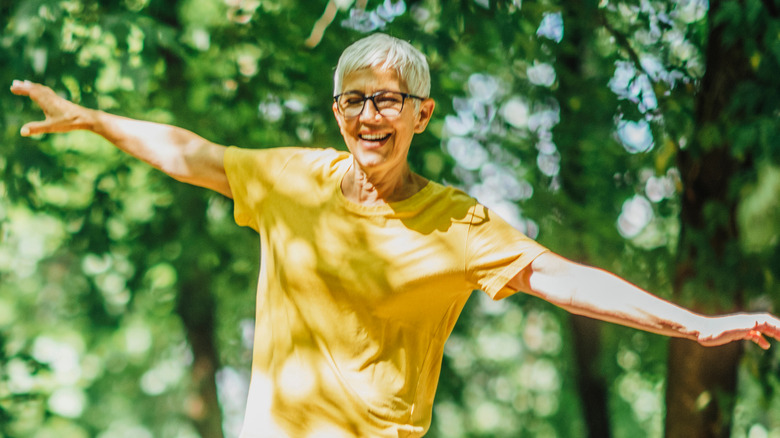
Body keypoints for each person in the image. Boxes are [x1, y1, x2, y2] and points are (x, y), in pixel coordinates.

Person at [11, 33, 780, 438]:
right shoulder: (290, 179)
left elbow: (565, 280)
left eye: (388, 99)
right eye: (354, 99)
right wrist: (92, 119)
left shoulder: (459, 223)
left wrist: (695, 323)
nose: (369, 115)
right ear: (336, 109)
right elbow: (190, 154)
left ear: (422, 113)